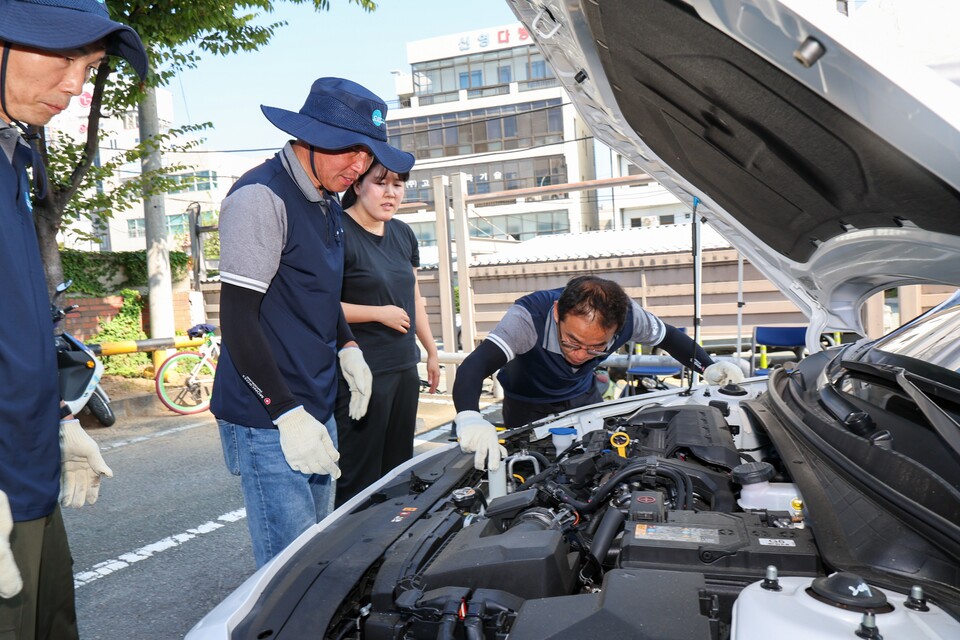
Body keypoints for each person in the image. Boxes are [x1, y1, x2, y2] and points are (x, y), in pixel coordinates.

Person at [211, 77, 415, 568]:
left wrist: (347, 348)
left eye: (369, 156)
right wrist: (284, 412)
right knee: (288, 568)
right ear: (308, 135)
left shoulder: (326, 198)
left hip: (316, 400)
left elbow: (320, 296)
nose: (359, 166)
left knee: (316, 551)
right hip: (270, 414)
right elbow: (237, 319)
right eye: (349, 150)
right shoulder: (262, 197)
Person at [0, 0, 147, 637]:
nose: (75, 85)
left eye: (87, 67)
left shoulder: (14, 156)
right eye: (61, 56)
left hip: (26, 471)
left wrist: (51, 422)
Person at [453, 275, 744, 470]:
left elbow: (669, 337)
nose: (580, 355)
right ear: (557, 313)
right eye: (571, 341)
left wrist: (709, 365)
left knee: (598, 462)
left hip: (584, 397)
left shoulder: (630, 317)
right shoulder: (529, 317)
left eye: (596, 348)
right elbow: (474, 366)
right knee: (531, 469)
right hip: (527, 404)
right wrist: (469, 416)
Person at [333, 160, 439, 508]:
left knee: (398, 472)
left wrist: (431, 350)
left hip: (403, 367)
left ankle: (388, 552)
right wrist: (378, 314)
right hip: (360, 374)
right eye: (381, 183)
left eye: (398, 184)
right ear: (357, 185)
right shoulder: (336, 230)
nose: (391, 193)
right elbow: (318, 304)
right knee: (359, 477)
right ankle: (349, 556)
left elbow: (415, 297)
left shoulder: (403, 233)